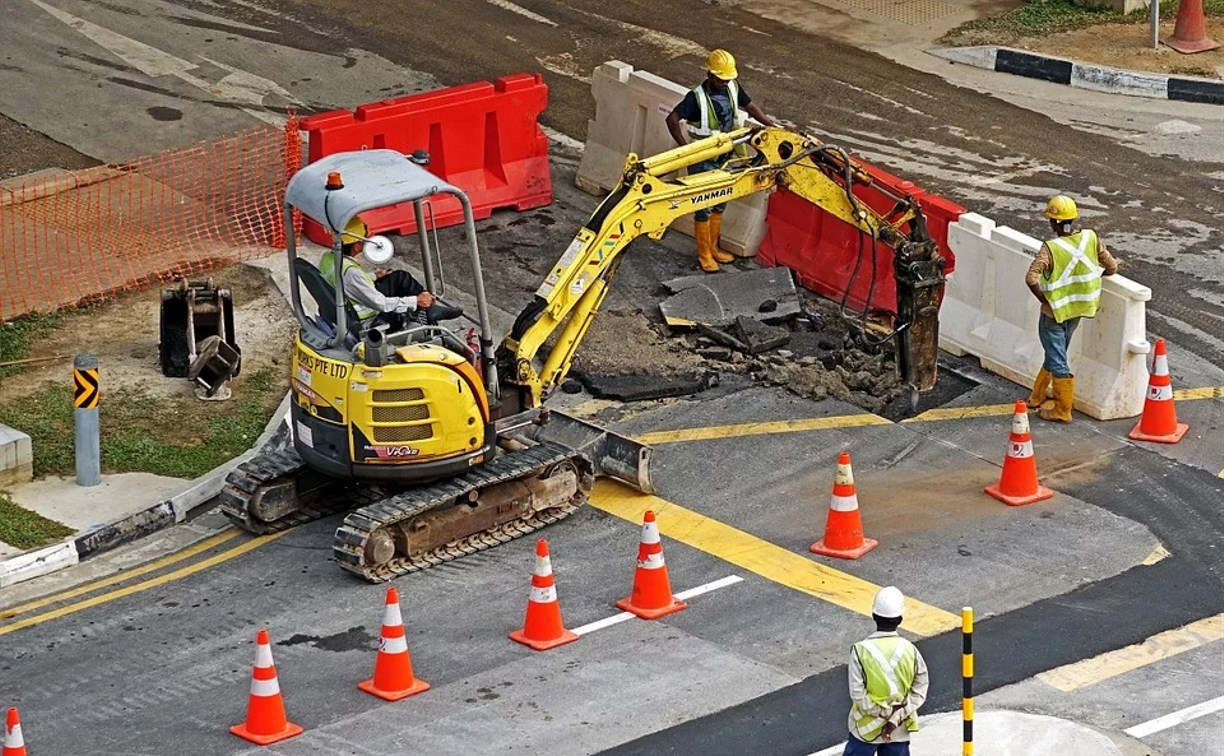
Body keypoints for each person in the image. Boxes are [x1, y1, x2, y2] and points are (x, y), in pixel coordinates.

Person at [665, 48, 775, 273]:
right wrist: (684, 148)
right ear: (711, 75)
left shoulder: (732, 86)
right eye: (722, 79)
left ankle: (714, 248)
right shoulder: (696, 98)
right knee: (704, 207)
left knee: (719, 203)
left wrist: (770, 125)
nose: (726, 83)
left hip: (726, 158)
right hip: (702, 160)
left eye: (728, 79)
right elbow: (672, 118)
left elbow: (750, 106)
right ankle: (704, 254)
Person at [1025, 194, 1118, 423]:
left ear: (1054, 222)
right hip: (1078, 309)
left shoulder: (1051, 248)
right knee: (1056, 352)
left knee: (1057, 359)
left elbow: (1031, 278)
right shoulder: (1090, 238)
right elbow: (1112, 267)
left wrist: (1044, 300)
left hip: (1054, 313)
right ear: (1073, 219)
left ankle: (1062, 410)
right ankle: (1037, 396)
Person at [318, 217, 461, 332]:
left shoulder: (328, 258)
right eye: (364, 240)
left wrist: (375, 276)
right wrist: (415, 300)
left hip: (345, 303)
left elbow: (346, 283)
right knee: (405, 298)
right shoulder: (352, 272)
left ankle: (429, 308)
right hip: (365, 316)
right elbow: (381, 304)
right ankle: (427, 309)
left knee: (399, 277)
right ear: (356, 245)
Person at [843, 586, 929, 756]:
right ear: (900, 619)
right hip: (898, 728)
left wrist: (882, 712)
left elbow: (857, 693)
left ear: (874, 615)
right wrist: (895, 717)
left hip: (865, 728)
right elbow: (920, 688)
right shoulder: (910, 650)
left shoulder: (860, 651)